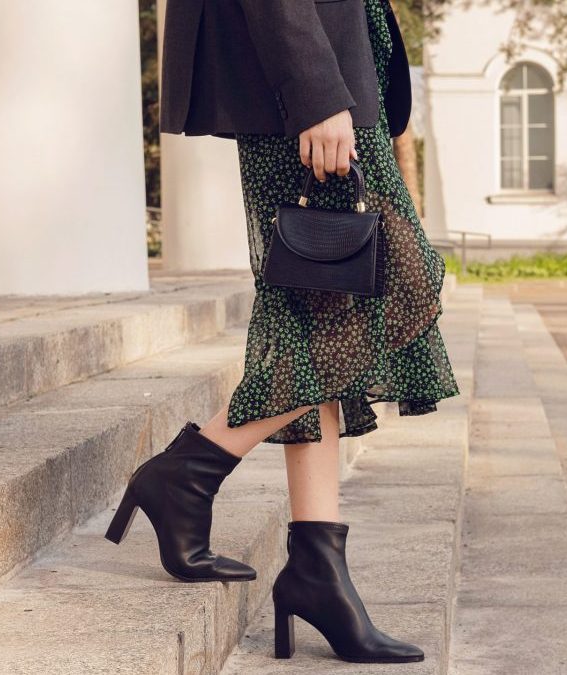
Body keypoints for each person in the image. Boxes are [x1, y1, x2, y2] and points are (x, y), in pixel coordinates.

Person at [103, 0, 458, 665]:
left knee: (320, 311)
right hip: (304, 74)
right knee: (401, 289)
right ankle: (189, 470)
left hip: (331, 64)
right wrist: (316, 91)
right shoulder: (311, 89)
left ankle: (317, 565)